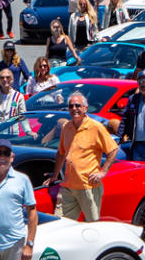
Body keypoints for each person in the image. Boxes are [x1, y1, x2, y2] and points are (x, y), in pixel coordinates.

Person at [43, 91, 118, 222]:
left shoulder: (96, 127)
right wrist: (55, 175)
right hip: (68, 186)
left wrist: (103, 171)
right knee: (60, 224)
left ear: (85, 108)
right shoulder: (66, 127)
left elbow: (113, 149)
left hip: (88, 187)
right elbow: (61, 153)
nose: (74, 109)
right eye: (71, 106)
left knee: (92, 225)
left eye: (78, 105)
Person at [0, 69, 35, 137]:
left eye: (7, 77)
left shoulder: (18, 96)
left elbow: (22, 116)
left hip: (12, 134)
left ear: (12, 79)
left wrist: (28, 131)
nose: (5, 79)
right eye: (2, 77)